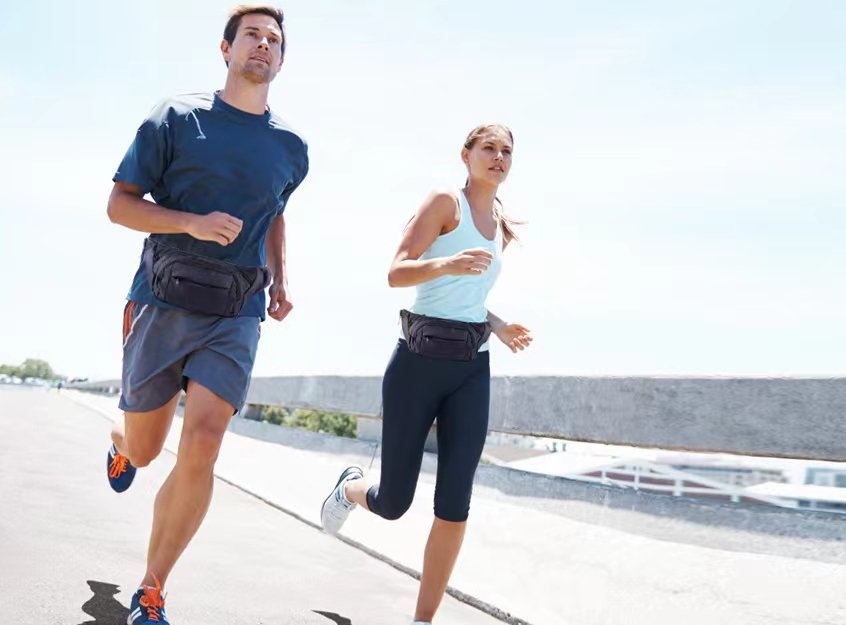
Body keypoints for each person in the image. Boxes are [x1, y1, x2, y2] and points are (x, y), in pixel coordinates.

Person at [104, 6, 308, 623]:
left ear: (282, 59)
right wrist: (191, 222)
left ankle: (152, 589)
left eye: (274, 40)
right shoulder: (174, 117)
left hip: (237, 310)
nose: (263, 45)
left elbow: (275, 212)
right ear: (226, 49)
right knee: (146, 450)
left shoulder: (291, 147)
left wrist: (281, 277)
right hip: (163, 299)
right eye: (252, 35)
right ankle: (121, 441)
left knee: (204, 442)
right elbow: (120, 205)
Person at [320, 124, 532, 624]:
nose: (498, 157)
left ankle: (422, 619)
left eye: (507, 151)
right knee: (393, 502)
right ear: (466, 155)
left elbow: (467, 300)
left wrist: (498, 326)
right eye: (488, 148)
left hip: (471, 367)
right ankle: (350, 488)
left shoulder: (499, 221)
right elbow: (397, 272)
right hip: (417, 363)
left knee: (455, 503)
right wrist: (447, 263)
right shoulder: (444, 202)